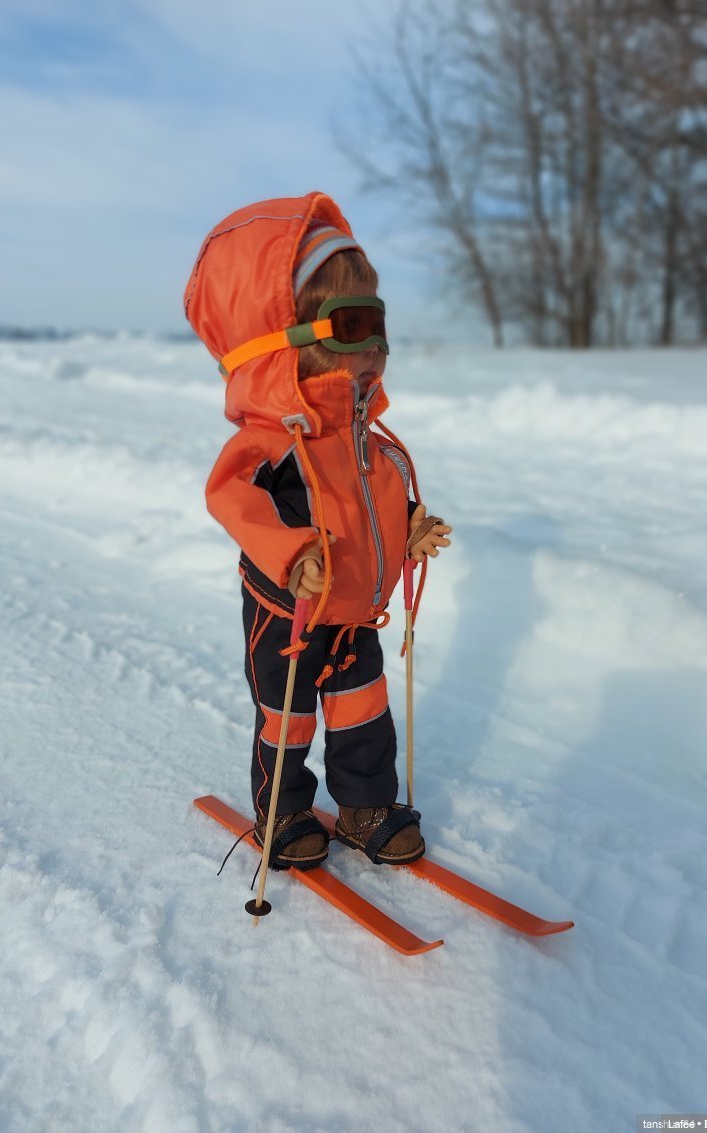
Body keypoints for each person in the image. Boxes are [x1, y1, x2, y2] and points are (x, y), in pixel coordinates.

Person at [184, 192, 451, 871]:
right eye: (351, 323)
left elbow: (375, 499)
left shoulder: (365, 434)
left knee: (365, 712)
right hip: (288, 615)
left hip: (355, 609)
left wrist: (411, 528)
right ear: (282, 345)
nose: (372, 346)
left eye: (378, 324)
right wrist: (289, 552)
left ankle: (366, 807)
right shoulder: (271, 440)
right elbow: (230, 498)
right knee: (287, 719)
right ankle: (286, 813)